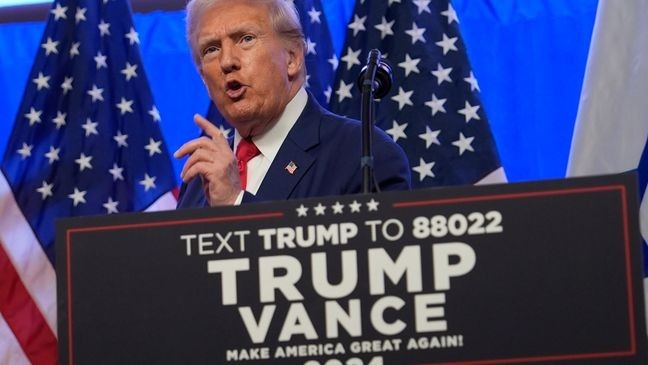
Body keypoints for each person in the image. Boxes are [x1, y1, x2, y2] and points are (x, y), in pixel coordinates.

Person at [175, 0, 410, 208]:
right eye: (211, 49)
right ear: (204, 78)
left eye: (246, 39)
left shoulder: (363, 156)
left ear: (292, 58)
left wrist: (235, 202)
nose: (227, 61)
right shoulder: (198, 182)